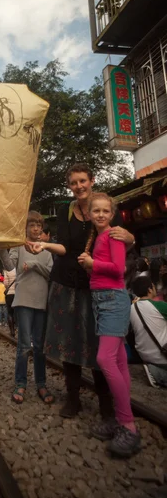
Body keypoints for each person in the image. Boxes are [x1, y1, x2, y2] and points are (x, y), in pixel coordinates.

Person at [33, 163, 134, 419]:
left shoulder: (108, 208)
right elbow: (65, 247)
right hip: (66, 284)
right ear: (70, 185)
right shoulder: (67, 210)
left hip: (97, 287)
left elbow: (122, 242)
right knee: (69, 344)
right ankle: (73, 398)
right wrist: (44, 245)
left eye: (82, 181)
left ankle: (106, 404)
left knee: (98, 343)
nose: (78, 186)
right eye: (74, 182)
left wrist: (131, 239)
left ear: (92, 181)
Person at [78, 193, 141, 458]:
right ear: (90, 214)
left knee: (105, 359)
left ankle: (128, 425)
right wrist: (90, 268)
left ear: (111, 214)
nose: (101, 215)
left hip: (113, 300)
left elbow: (118, 269)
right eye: (97, 211)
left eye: (106, 211)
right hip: (103, 300)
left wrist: (93, 264)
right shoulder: (101, 237)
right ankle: (120, 419)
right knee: (118, 361)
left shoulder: (114, 234)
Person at [0, 211, 54, 405]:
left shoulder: (47, 249)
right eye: (32, 225)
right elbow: (9, 265)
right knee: (23, 346)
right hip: (23, 300)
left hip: (41, 301)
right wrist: (0, 248)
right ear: (26, 228)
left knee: (39, 346)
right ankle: (20, 383)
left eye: (38, 225)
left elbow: (50, 273)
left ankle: (41, 383)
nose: (36, 228)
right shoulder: (18, 246)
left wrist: (33, 265)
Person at [130, 276, 167, 388]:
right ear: (150, 289)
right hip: (162, 356)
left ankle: (155, 370)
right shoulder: (159, 305)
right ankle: (158, 374)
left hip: (144, 355)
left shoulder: (132, 307)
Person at [4, 267, 16, 337]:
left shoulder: (7, 270)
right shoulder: (18, 267)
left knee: (10, 313)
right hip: (17, 293)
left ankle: (12, 331)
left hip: (9, 294)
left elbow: (5, 284)